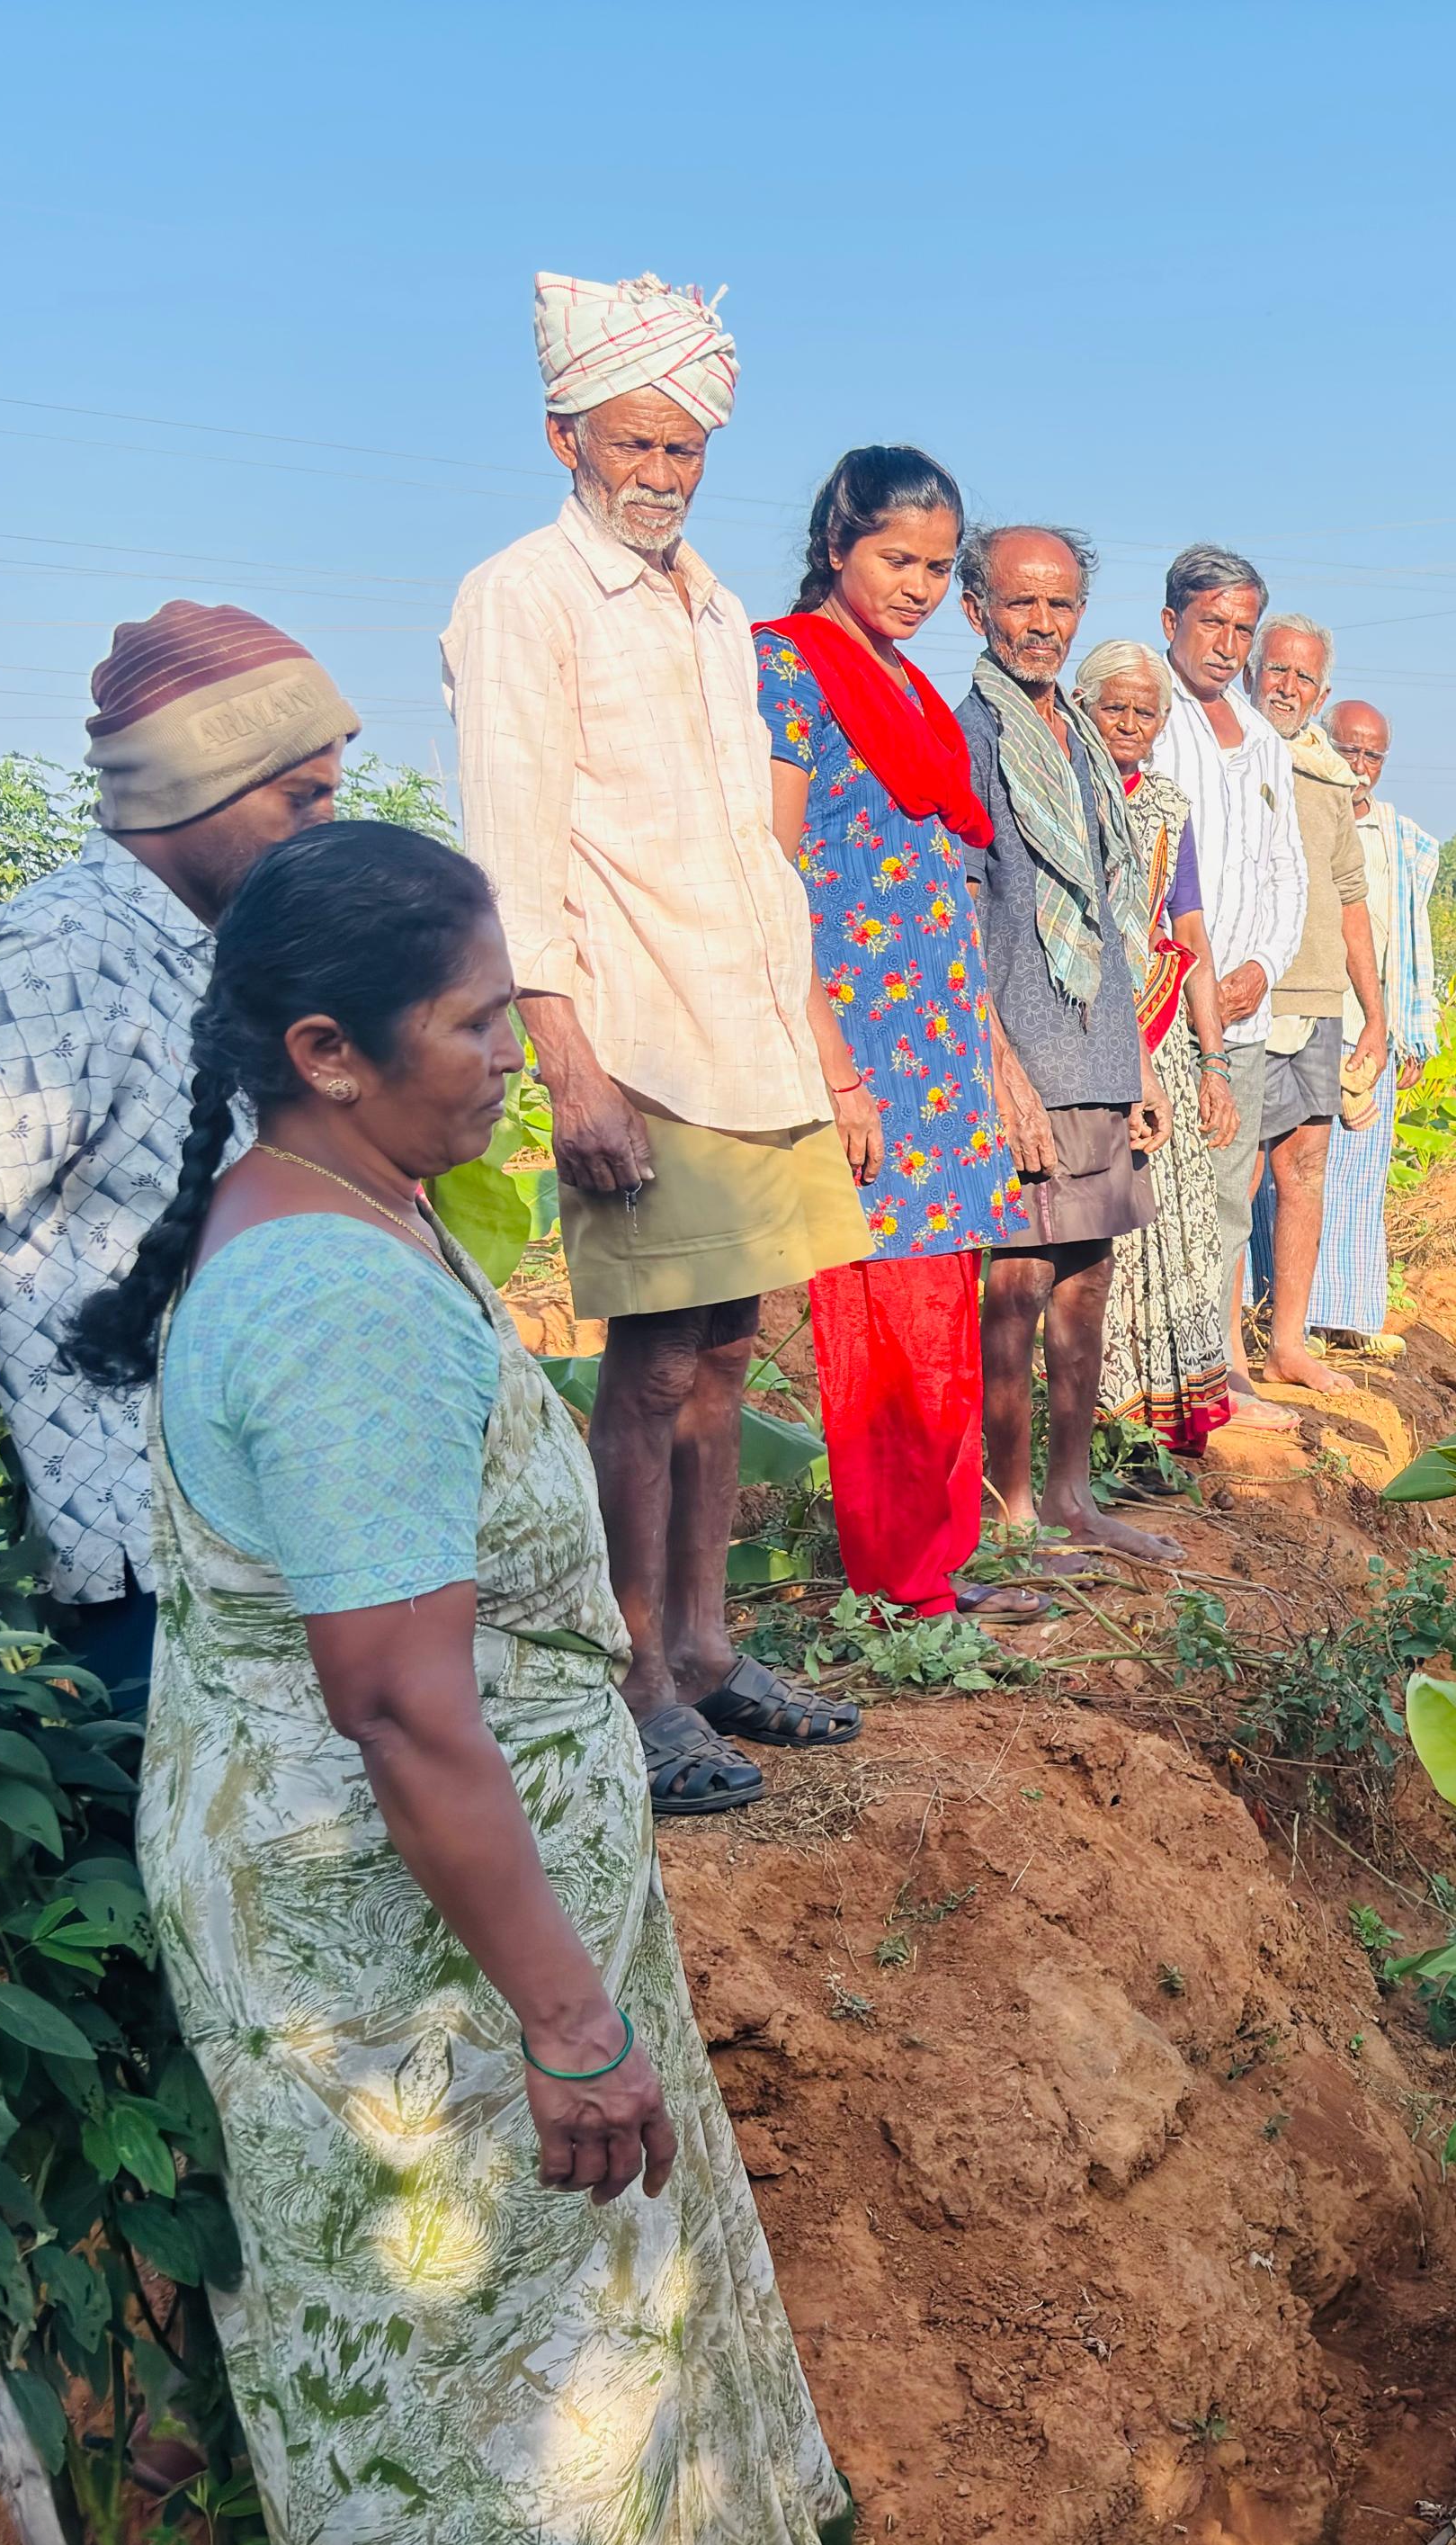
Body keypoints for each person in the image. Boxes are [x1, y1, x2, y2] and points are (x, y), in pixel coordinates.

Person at [60, 822, 850, 2545]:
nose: (518, 1054)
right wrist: (569, 2023)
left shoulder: (344, 1208)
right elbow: (408, 1712)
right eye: (480, 1021)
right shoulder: (330, 1300)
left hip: (418, 1921)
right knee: (480, 2345)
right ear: (329, 1049)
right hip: (410, 1953)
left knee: (516, 2323)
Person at [444, 270, 865, 1816]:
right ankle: (631, 1681)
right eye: (634, 444)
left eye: (685, 451)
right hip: (632, 1032)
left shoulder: (705, 605)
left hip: (740, 1027)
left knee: (731, 1348)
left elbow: (749, 850)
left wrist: (809, 1040)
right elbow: (511, 842)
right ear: (565, 435)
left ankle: (706, 1647)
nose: (661, 473)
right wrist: (565, 1055)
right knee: (650, 1360)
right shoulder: (522, 597)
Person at [0, 599, 357, 1707]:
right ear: (194, 783)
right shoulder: (64, 947)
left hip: (266, 1541)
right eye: (303, 796)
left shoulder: (223, 945)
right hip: (156, 1569)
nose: (323, 825)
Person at [755, 444, 1042, 1621]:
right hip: (862, 1045)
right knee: (874, 1317)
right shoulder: (786, 665)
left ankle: (937, 1564)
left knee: (939, 1308)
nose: (919, 586)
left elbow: (950, 888)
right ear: (837, 546)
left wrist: (996, 1055)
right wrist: (833, 1066)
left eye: (935, 567)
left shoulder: (919, 695)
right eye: (896, 559)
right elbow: (770, 874)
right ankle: (894, 1582)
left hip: (943, 1043)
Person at [951, 526, 1182, 1564]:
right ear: (977, 612)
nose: (1041, 625)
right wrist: (996, 1064)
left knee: (1086, 1270)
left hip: (1094, 1048)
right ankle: (1007, 1514)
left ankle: (1070, 1497)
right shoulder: (974, 736)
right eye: (1020, 604)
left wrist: (1134, 1063)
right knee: (1016, 1278)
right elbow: (956, 908)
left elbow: (1112, 909)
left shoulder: (1084, 743)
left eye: (1060, 606)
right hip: (1021, 1055)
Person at [1143, 544, 1304, 1429]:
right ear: (1171, 623)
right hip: (1167, 1009)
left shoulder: (1264, 744)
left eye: (1241, 628)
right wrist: (1203, 979)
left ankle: (1219, 1377)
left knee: (1225, 1193)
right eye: (1211, 623)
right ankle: (1162, 1384)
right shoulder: (1147, 718)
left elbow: (1289, 876)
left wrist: (1258, 969)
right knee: (1161, 1198)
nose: (1227, 644)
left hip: (1245, 1009)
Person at [1074, 635, 1239, 1458]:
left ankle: (1166, 1421)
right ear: (1083, 707)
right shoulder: (1061, 791)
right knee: (1105, 1234)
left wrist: (1214, 1064)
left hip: (1164, 1039)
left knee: (1175, 1225)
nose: (1131, 723)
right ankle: (1103, 1424)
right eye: (1116, 708)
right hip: (1081, 1039)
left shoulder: (1167, 807)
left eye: (1146, 711)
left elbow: (1191, 933)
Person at [1233, 613, 1388, 1392]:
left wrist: (1376, 1011)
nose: (1287, 687)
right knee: (1238, 1175)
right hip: (1244, 999)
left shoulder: (1329, 776)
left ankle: (1286, 1344)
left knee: (1306, 1167)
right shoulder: (1224, 752)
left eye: (1303, 677)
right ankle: (1224, 1356)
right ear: (1251, 669)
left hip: (1319, 999)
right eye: (1277, 670)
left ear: (1320, 692)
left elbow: (1350, 899)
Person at [1302, 696, 1439, 1352]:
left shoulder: (1400, 840)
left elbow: (1412, 942)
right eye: (1348, 749)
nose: (1359, 765)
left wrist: (1409, 1027)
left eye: (1372, 754)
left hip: (1370, 1031)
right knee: (1297, 1169)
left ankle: (1347, 1315)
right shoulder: (1302, 813)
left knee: (1359, 1170)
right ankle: (1286, 1312)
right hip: (1302, 1020)